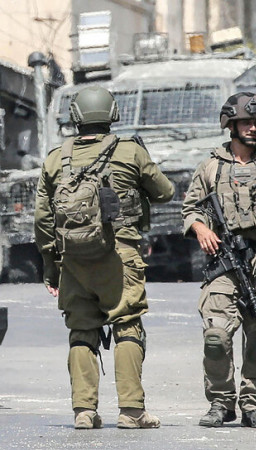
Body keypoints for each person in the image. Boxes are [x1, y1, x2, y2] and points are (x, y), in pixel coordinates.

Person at [34, 85, 173, 429]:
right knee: (127, 324)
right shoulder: (130, 152)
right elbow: (165, 192)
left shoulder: (55, 159)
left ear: (75, 117)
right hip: (119, 254)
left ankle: (83, 411)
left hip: (72, 259)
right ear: (113, 114)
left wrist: (51, 266)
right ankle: (131, 411)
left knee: (81, 330)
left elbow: (42, 220)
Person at [181, 92, 256, 428]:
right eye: (245, 122)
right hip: (224, 260)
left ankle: (253, 404)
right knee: (216, 338)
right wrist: (200, 228)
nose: (252, 128)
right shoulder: (211, 167)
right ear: (231, 124)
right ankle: (220, 403)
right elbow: (191, 208)